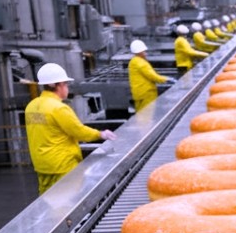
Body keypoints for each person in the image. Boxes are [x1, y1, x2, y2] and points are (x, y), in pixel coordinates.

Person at [24, 63, 115, 194]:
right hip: (62, 165)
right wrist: (100, 134)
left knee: (47, 201)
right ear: (57, 85)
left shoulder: (31, 106)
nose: (67, 88)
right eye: (66, 84)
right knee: (67, 201)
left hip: (42, 166)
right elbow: (78, 131)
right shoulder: (58, 108)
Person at [128, 40, 170, 112]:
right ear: (140, 52)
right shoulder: (140, 62)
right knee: (146, 115)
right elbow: (152, 76)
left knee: (140, 114)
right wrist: (166, 79)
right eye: (144, 51)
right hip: (146, 93)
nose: (145, 53)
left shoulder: (133, 61)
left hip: (139, 93)